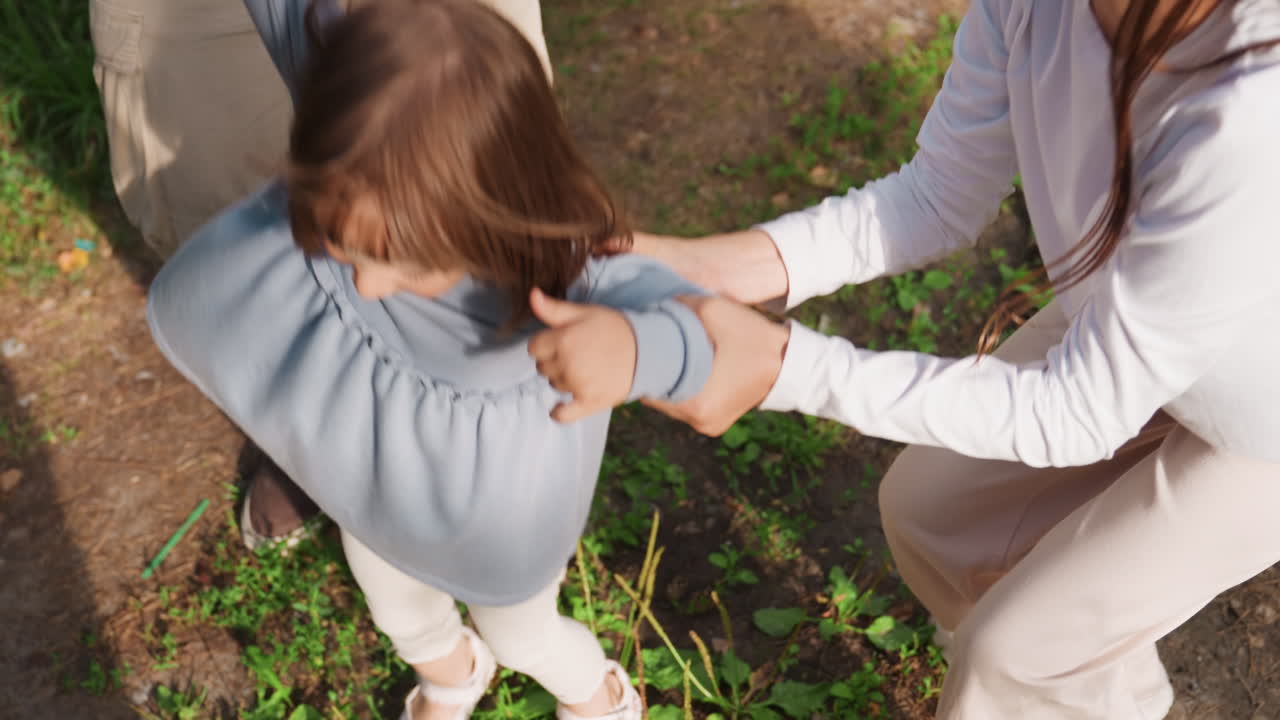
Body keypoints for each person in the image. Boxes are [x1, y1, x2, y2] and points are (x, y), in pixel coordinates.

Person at [529, 0, 1280, 717]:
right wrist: (711, 269)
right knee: (929, 517)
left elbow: (1078, 412)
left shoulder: (1245, 106)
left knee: (1008, 655)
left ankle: (1051, 677)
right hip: (1133, 329)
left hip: (1261, 429)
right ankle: (1094, 690)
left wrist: (782, 367)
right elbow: (935, 196)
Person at [146, 1, 714, 718]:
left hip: (499, 499)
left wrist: (648, 348)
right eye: (340, 247)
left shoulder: (567, 258)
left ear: (494, 199)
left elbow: (688, 317)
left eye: (402, 268)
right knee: (394, 597)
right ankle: (450, 674)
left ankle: (597, 695)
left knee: (523, 633)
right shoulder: (351, 116)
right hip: (374, 449)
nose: (368, 287)